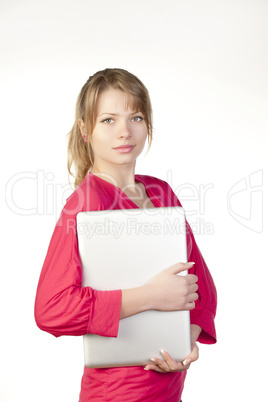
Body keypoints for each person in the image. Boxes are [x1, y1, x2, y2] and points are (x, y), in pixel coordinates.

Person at [34, 68, 217, 401]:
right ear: (85, 130)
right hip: (116, 393)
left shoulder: (161, 193)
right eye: (108, 120)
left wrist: (183, 342)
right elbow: (52, 308)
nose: (124, 132)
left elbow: (202, 287)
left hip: (168, 388)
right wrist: (150, 295)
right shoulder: (85, 205)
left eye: (135, 117)